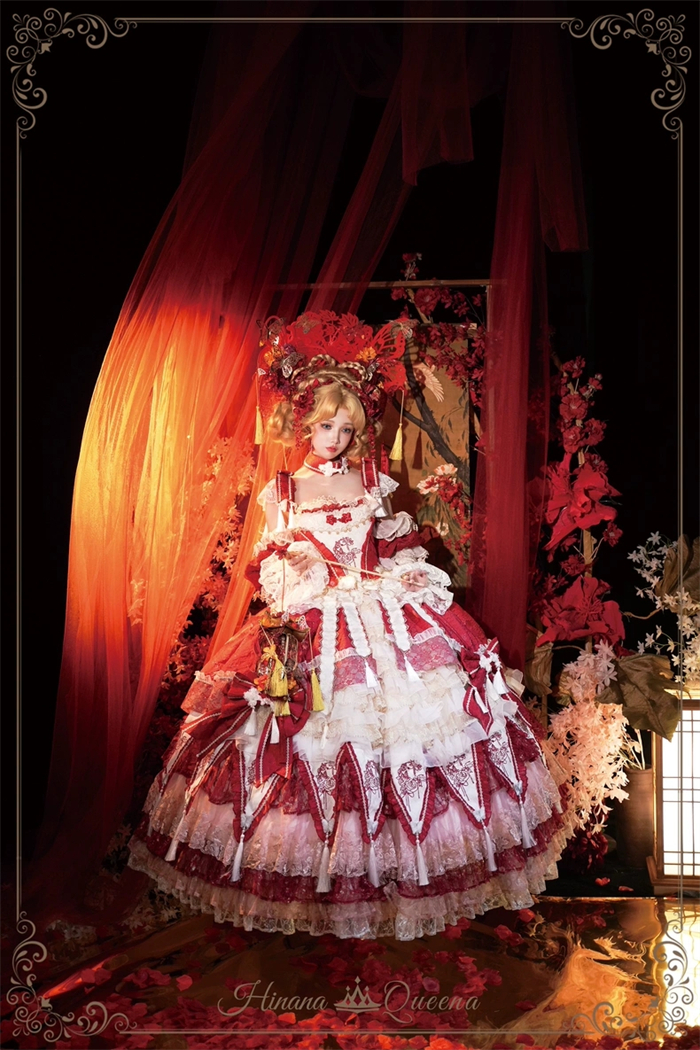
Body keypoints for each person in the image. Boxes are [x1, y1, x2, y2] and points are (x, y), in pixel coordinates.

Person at [128, 312, 570, 940]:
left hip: (380, 611)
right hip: (314, 620)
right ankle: (322, 878)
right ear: (302, 423)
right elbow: (272, 565)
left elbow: (384, 545)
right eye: (323, 425)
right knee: (311, 731)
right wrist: (295, 565)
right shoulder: (283, 490)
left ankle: (400, 872)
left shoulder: (370, 480)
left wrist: (401, 566)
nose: (334, 438)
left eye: (345, 428)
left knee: (408, 735)